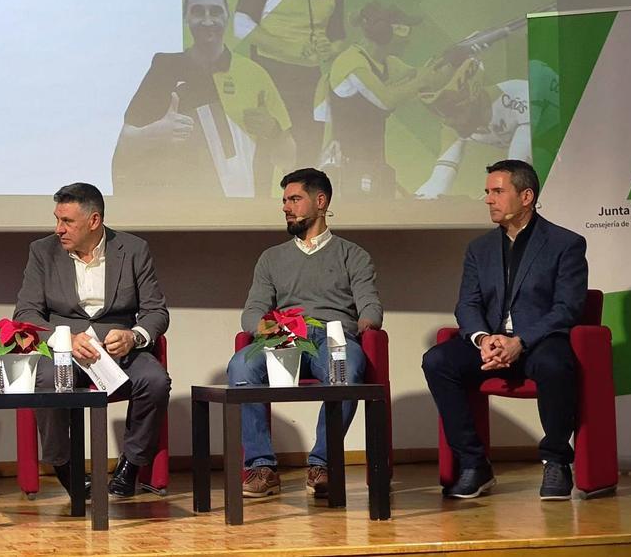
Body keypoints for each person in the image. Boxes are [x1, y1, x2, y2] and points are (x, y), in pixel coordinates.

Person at [422, 159, 587, 500]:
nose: (488, 199)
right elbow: (466, 304)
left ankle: (556, 460)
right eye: (487, 192)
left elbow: (566, 309)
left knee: (557, 364)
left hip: (538, 342)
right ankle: (474, 463)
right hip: (491, 343)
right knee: (437, 361)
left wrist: (520, 341)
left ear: (526, 196)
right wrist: (483, 339)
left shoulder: (565, 244)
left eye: (497, 191)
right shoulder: (479, 249)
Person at [228, 168, 383, 498]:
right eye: (284, 200)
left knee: (346, 370)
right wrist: (267, 328)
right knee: (241, 367)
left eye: (295, 199)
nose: (286, 207)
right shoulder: (271, 258)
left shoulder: (353, 255)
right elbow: (251, 311)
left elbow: (370, 305)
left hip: (332, 337)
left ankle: (323, 463)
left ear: (321, 201)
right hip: (285, 338)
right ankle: (261, 467)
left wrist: (365, 324)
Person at [13, 183, 170, 498]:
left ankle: (131, 465)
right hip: (64, 351)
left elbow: (156, 312)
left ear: (94, 221)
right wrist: (65, 339)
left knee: (155, 381)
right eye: (57, 219)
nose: (59, 229)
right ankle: (65, 465)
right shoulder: (42, 251)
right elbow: (26, 313)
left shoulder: (133, 249)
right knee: (44, 379)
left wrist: (134, 336)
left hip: (117, 350)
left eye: (67, 221)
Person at [114, 0, 294, 199]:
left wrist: (274, 132)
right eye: (198, 11)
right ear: (186, 16)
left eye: (215, 11)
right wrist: (157, 132)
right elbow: (124, 143)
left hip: (244, 214)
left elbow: (290, 157)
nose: (208, 21)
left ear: (227, 15)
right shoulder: (165, 68)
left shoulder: (254, 74)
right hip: (179, 213)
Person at [315, 2, 450, 199]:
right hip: (347, 165)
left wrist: (452, 61)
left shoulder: (386, 63)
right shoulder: (352, 63)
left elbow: (428, 79)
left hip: (372, 162)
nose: (408, 40)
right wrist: (422, 80)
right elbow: (386, 100)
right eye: (403, 32)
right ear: (383, 32)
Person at [235, 0, 346, 165]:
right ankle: (260, 199)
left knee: (308, 145)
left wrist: (330, 50)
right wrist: (288, 48)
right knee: (264, 145)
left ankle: (302, 196)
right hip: (268, 72)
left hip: (309, 79)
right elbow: (241, 24)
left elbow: (339, 38)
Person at [414, 60, 559, 199]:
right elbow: (438, 180)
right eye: (438, 112)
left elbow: (517, 168)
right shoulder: (456, 124)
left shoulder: (519, 97)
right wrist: (422, 199)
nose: (448, 121)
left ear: (474, 93)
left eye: (453, 110)